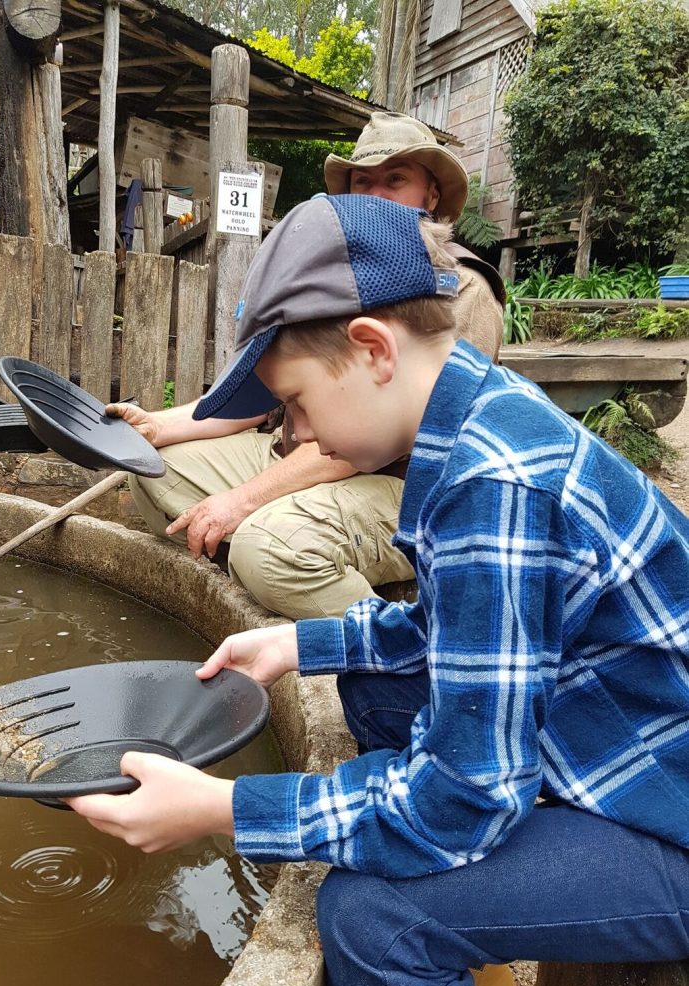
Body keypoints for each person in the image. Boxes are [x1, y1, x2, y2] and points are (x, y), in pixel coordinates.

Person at [68, 194, 689, 986]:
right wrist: (300, 647)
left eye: (293, 402)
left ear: (371, 349)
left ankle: (436, 967)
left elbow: (470, 799)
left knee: (373, 919)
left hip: (666, 816)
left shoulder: (493, 488)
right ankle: (473, 976)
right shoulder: (478, 407)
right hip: (617, 728)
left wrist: (226, 810)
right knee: (375, 686)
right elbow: (460, 629)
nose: (294, 434)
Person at [108, 112, 504, 623]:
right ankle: (280, 561)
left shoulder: (464, 289)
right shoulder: (336, 277)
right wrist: (159, 425)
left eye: (396, 180)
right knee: (151, 472)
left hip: (402, 481)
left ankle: (378, 628)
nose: (375, 195)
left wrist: (244, 501)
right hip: (301, 452)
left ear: (431, 195)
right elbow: (275, 394)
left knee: (264, 547)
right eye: (363, 182)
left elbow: (374, 435)